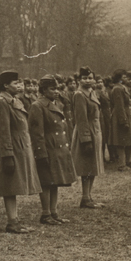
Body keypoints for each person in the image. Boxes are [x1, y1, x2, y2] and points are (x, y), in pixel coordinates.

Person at [0, 70, 40, 234]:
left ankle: (15, 220)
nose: (19, 86)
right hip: (12, 148)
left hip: (21, 147)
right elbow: (3, 131)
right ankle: (12, 222)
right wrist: (7, 155)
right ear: (6, 86)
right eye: (15, 83)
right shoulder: (2, 102)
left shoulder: (14, 100)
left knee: (14, 185)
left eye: (20, 83)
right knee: (10, 186)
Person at [28, 76, 76, 226]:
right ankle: (45, 213)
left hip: (58, 148)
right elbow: (37, 133)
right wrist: (41, 153)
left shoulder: (57, 104)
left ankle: (54, 212)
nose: (56, 92)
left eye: (57, 88)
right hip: (47, 148)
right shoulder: (38, 106)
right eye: (52, 89)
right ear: (43, 90)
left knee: (56, 181)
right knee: (47, 182)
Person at [71, 67, 106, 209]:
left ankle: (89, 197)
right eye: (84, 78)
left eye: (90, 78)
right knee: (87, 166)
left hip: (95, 131)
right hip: (87, 132)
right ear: (79, 80)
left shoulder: (91, 92)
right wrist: (86, 140)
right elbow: (81, 119)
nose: (88, 80)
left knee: (93, 165)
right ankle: (85, 197)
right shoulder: (79, 94)